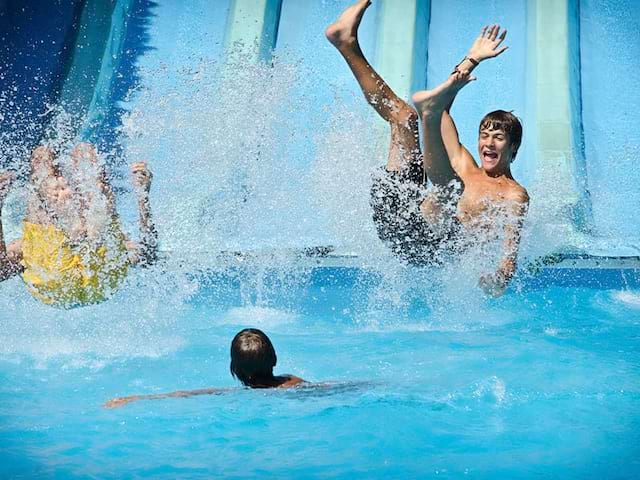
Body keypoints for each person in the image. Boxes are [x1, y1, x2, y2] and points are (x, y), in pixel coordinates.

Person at [326, 0, 529, 297]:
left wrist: (499, 278)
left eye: (498, 137)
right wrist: (471, 60)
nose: (488, 142)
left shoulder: (514, 195)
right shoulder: (465, 164)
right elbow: (443, 110)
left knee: (449, 187)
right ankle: (345, 42)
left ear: (513, 147)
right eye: (484, 135)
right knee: (405, 119)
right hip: (397, 211)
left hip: (422, 249)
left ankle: (427, 115)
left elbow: (509, 253)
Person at [0, 142, 158, 308]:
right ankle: (76, 224)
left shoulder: (26, 246)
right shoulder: (117, 241)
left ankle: (70, 221)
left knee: (42, 159)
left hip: (57, 284)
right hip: (102, 281)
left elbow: (2, 269)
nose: (65, 184)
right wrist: (142, 197)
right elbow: (148, 254)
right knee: (85, 156)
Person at [104, 328, 305, 408]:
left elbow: (188, 394)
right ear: (275, 359)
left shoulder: (239, 394)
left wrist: (137, 398)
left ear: (234, 368)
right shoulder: (292, 382)